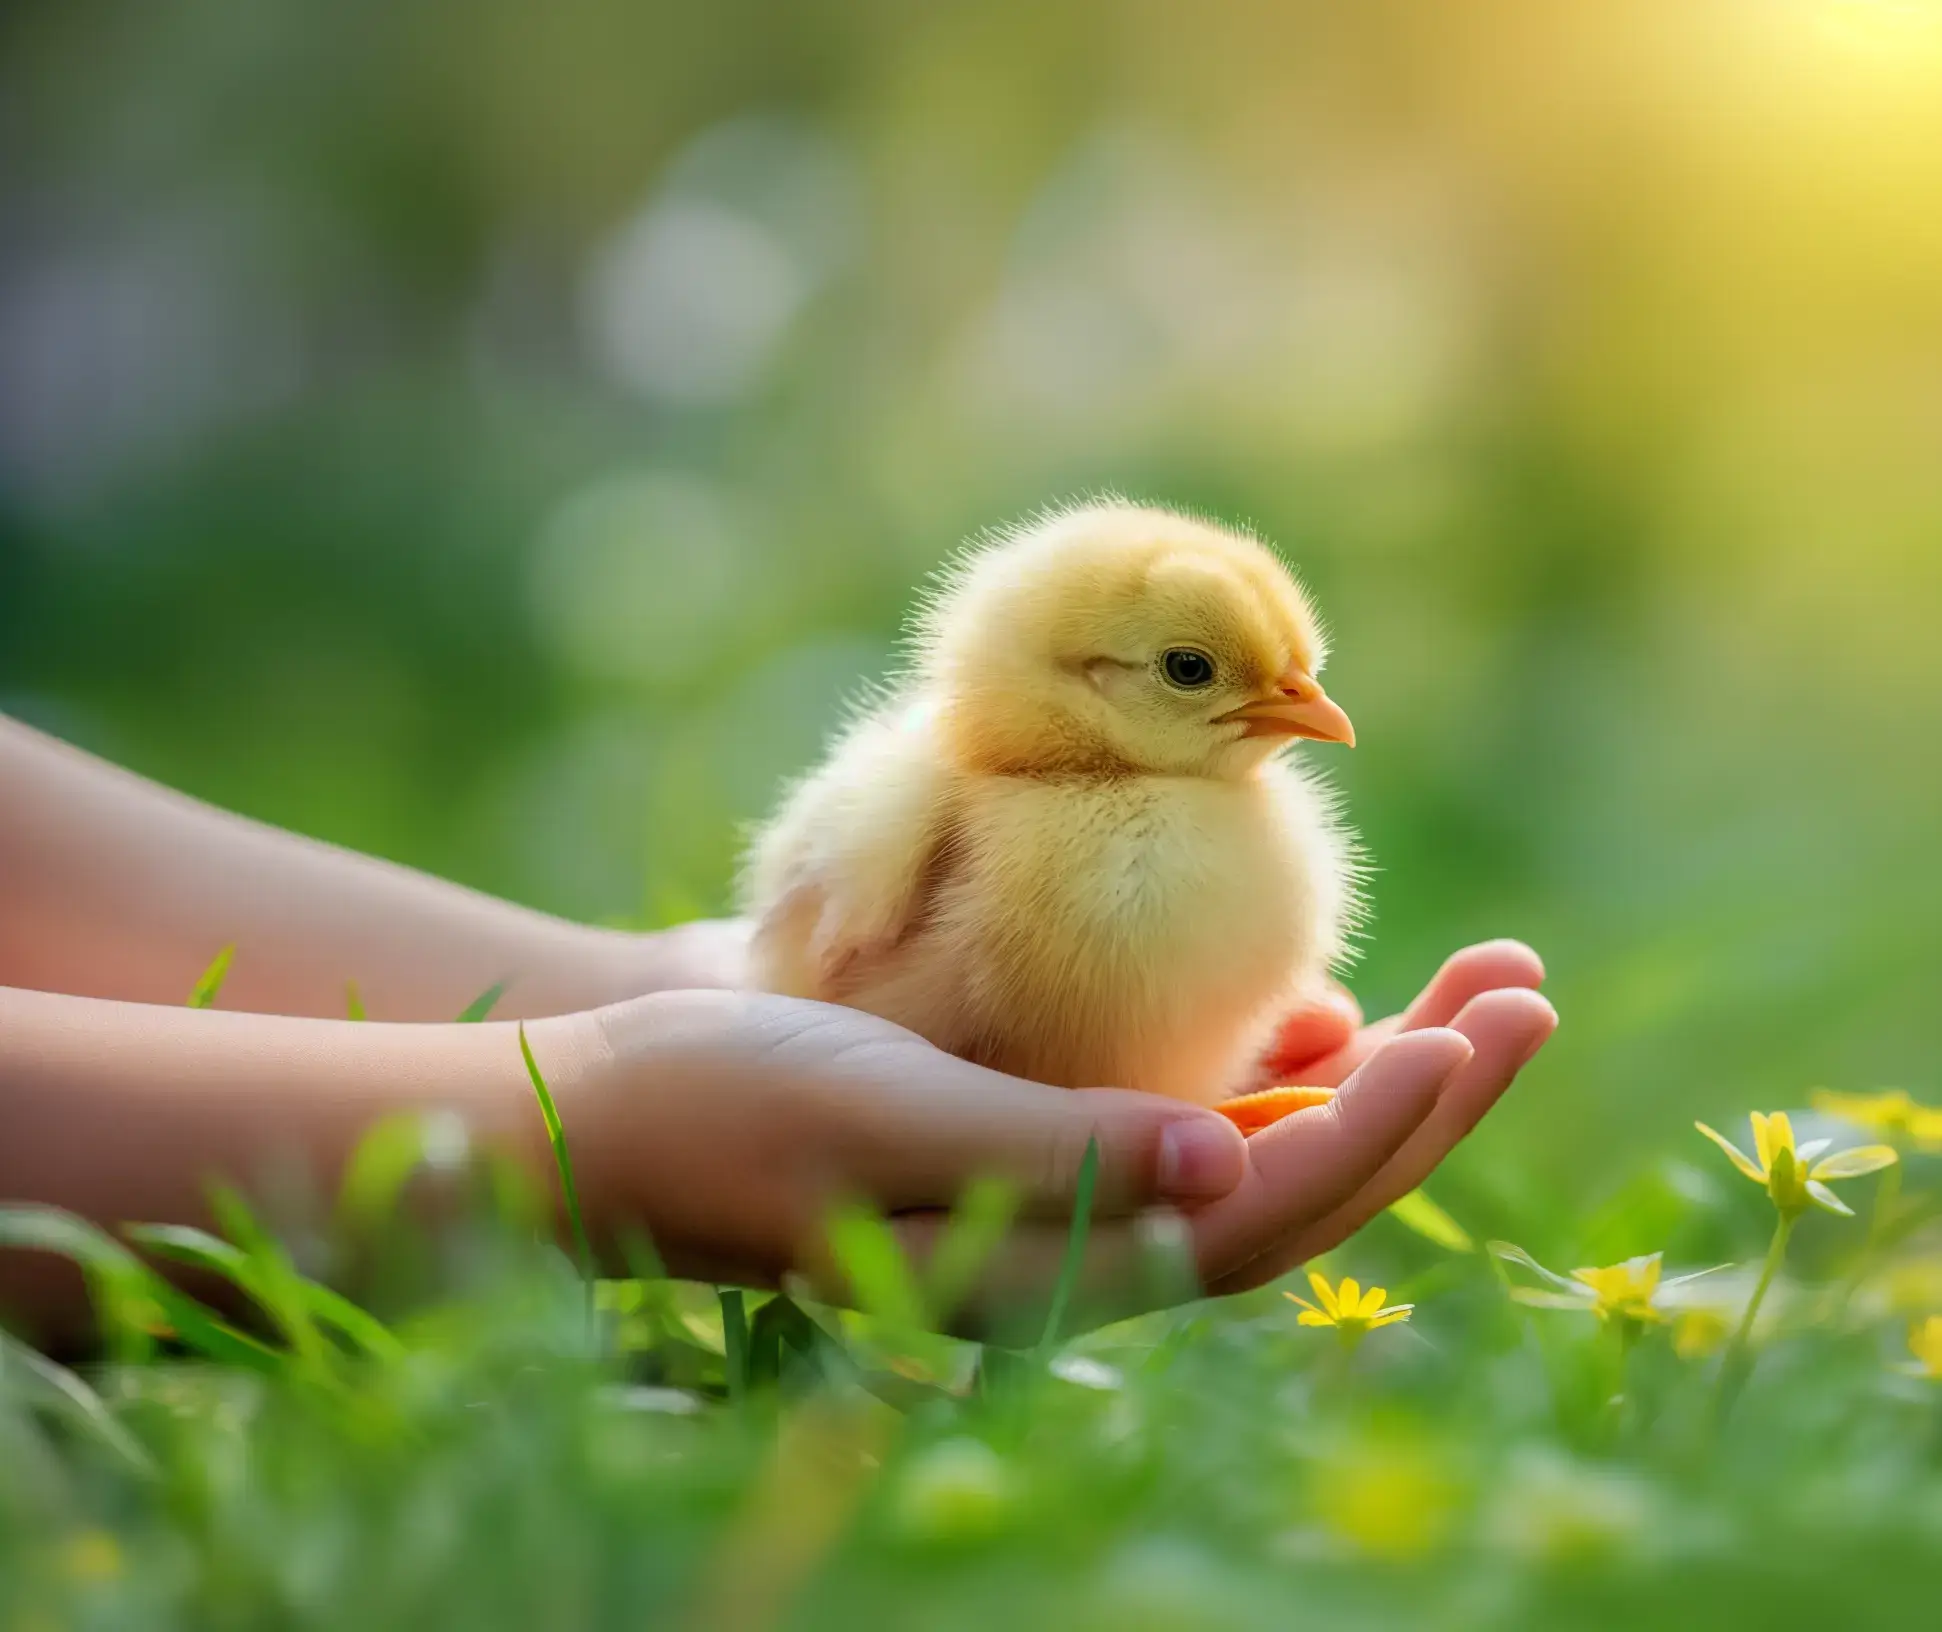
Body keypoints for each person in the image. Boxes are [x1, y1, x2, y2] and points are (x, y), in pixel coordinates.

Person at [0, 714, 1555, 1347]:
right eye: (1204, 680)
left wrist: (609, 1007)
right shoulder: (972, 812)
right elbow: (836, 920)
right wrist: (595, 1128)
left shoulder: (1214, 828)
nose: (1294, 712)